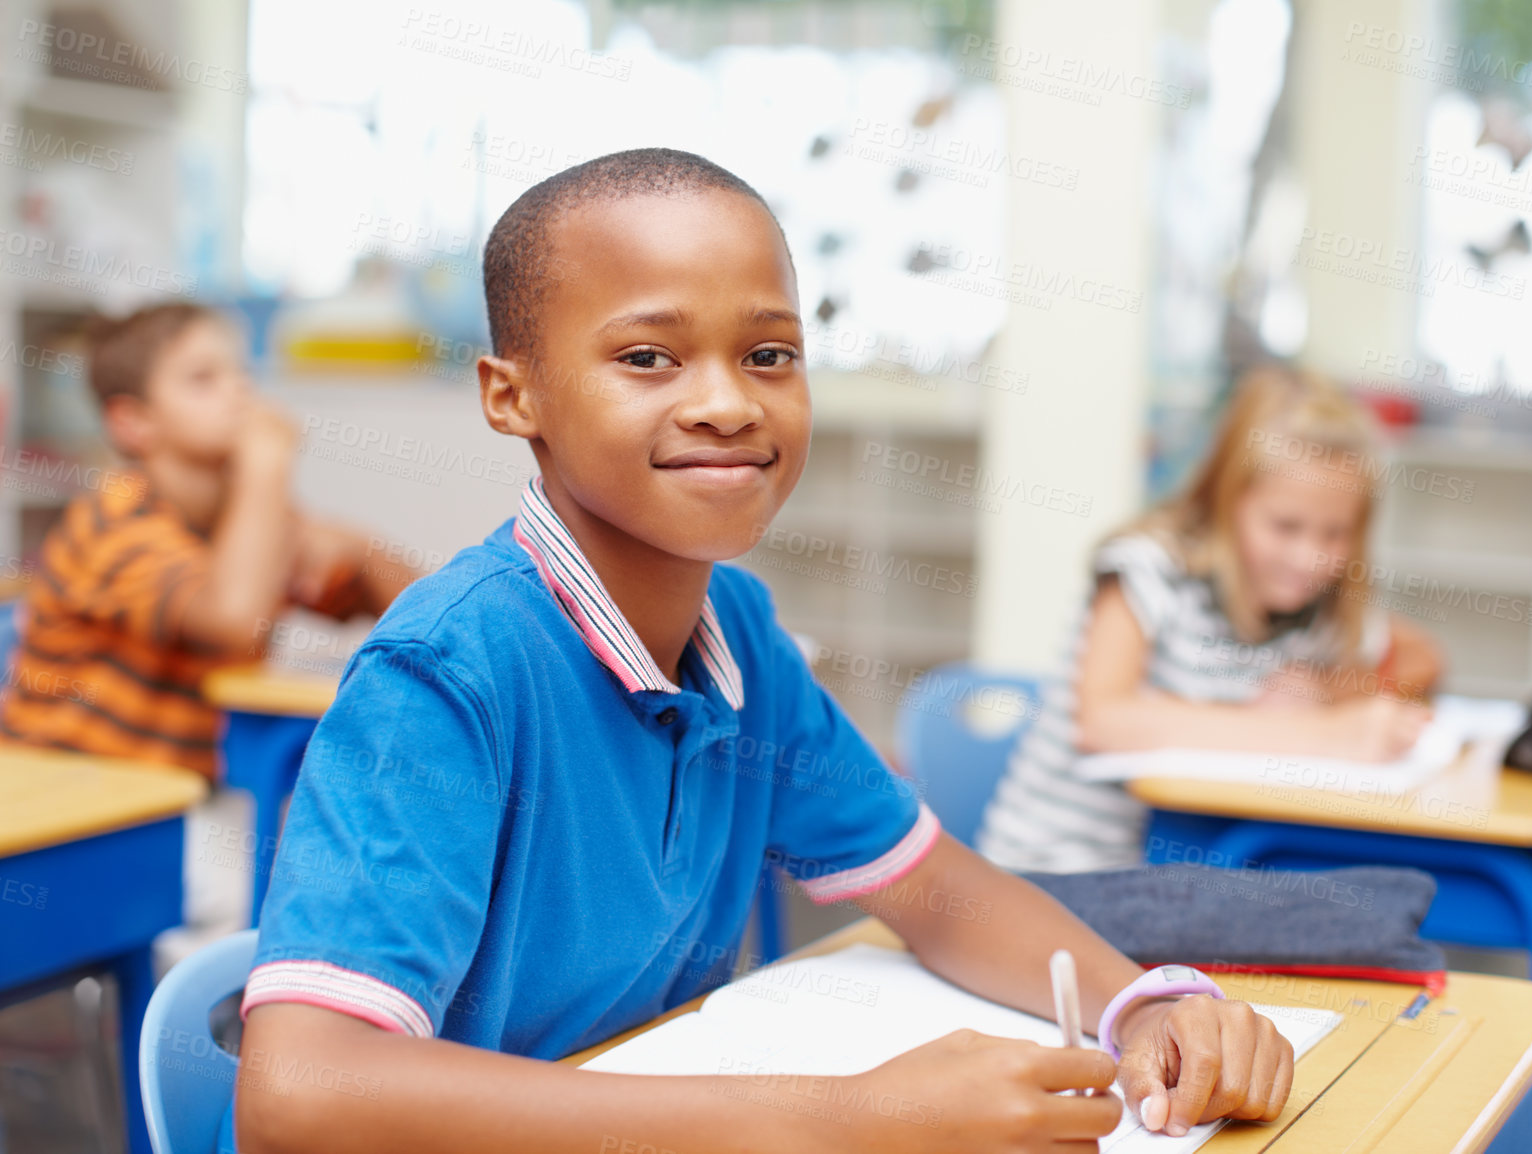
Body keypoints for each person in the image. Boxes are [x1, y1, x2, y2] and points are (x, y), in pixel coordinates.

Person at [229, 149, 1295, 1154]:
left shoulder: (736, 634)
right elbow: (299, 1091)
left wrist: (1140, 1001)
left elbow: (934, 886)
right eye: (647, 357)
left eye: (769, 355)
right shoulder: (447, 674)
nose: (729, 403)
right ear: (513, 395)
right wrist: (845, 1117)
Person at [977, 365, 1445, 875]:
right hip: (1055, 875)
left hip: (1198, 875)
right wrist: (1324, 732)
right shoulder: (1149, 569)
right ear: (1227, 497)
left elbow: (1424, 659)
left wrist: (1326, 688)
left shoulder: (1317, 601)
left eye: (1335, 534)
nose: (1309, 558)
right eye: (1285, 526)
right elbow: (1102, 720)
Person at [0, 304, 422, 777]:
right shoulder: (110, 521)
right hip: (56, 800)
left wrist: (361, 552)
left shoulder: (253, 522)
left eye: (241, 372)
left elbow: (426, 617)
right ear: (132, 422)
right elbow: (233, 619)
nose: (239, 391)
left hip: (170, 806)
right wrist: (265, 466)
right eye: (203, 379)